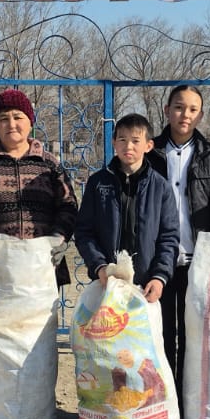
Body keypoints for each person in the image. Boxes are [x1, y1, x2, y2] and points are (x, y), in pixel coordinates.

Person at [0, 88, 79, 286]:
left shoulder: (49, 164)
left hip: (42, 267)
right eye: (3, 118)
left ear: (30, 122)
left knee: (39, 318)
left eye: (18, 117)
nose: (11, 124)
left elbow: (67, 206)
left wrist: (59, 238)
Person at [145, 84, 210, 378]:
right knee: (161, 333)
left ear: (201, 115)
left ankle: (188, 404)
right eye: (179, 107)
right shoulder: (149, 153)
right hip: (160, 260)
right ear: (167, 110)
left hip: (198, 259)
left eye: (193, 109)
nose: (185, 115)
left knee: (194, 336)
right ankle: (166, 405)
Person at [76, 113, 180, 303]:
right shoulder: (98, 183)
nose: (128, 146)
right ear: (114, 142)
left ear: (148, 145)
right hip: (105, 285)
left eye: (135, 140)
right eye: (122, 139)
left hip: (145, 287)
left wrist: (159, 277)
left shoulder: (160, 187)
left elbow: (169, 238)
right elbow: (84, 232)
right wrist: (99, 266)